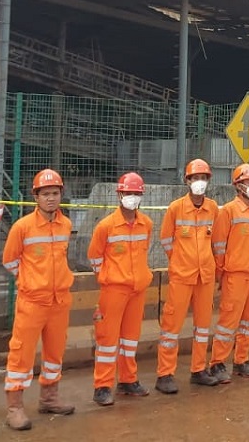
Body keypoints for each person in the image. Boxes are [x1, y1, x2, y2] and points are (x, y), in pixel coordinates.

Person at [1, 168, 76, 431]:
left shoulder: (66, 224)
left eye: (55, 193)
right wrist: (29, 281)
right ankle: (15, 408)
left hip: (59, 301)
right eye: (45, 194)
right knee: (21, 354)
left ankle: (49, 398)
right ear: (36, 197)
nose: (51, 199)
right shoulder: (22, 227)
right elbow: (9, 260)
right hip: (32, 302)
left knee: (55, 353)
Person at [88, 172, 154, 406]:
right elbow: (94, 257)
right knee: (107, 339)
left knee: (130, 339)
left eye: (136, 194)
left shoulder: (146, 224)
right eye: (128, 193)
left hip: (138, 290)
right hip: (114, 290)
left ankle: (128, 381)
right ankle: (102, 386)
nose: (132, 198)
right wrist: (108, 277)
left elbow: (143, 252)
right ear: (119, 194)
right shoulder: (106, 226)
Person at [155, 159, 221, 392]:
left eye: (203, 178)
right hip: (182, 277)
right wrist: (179, 260)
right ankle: (164, 374)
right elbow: (165, 239)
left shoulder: (213, 208)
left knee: (203, 327)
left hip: (205, 276)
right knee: (172, 326)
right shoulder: (175, 208)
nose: (200, 182)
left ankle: (198, 370)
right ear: (187, 181)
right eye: (195, 178)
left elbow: (215, 240)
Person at [209, 163, 249, 382]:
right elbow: (219, 245)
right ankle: (217, 363)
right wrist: (221, 274)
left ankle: (241, 360)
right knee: (228, 322)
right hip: (235, 275)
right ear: (239, 186)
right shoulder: (228, 212)